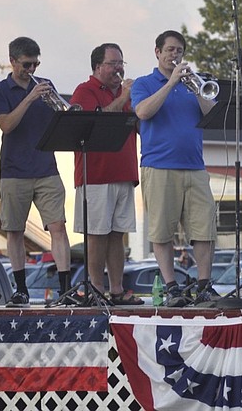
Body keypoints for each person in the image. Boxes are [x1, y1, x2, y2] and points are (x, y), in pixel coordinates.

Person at [131, 30, 218, 307]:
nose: (174, 54)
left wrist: (196, 87)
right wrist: (170, 84)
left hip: (194, 166)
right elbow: (143, 112)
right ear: (157, 52)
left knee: (204, 228)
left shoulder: (193, 84)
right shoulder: (145, 83)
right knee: (161, 231)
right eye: (169, 50)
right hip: (159, 166)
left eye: (178, 50)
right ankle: (172, 287)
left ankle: (204, 285)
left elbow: (211, 114)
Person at [0, 37, 73, 307]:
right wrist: (29, 99)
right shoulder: (1, 90)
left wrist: (60, 109)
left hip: (46, 168)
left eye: (36, 63)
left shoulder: (44, 87)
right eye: (27, 64)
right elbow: (6, 125)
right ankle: (22, 289)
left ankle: (65, 289)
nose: (32, 69)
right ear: (13, 61)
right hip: (14, 171)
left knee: (58, 227)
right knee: (14, 230)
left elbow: (62, 119)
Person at [70, 43, 142, 305]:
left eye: (121, 63)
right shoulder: (85, 91)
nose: (119, 68)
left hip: (124, 173)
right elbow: (96, 123)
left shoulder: (126, 94)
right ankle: (96, 289)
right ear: (98, 67)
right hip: (96, 175)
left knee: (117, 235)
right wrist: (124, 98)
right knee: (97, 234)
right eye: (113, 63)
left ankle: (117, 289)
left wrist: (137, 101)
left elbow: (141, 128)